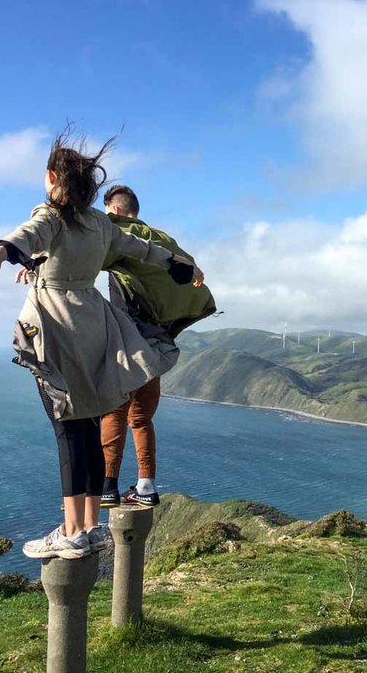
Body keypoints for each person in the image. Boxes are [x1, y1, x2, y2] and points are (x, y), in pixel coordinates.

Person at [0, 130, 196, 560]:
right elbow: (138, 248)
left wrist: (1, 253)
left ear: (53, 176)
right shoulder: (99, 223)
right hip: (95, 320)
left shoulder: (53, 214)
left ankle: (72, 530)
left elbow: (30, 231)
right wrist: (175, 261)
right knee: (89, 422)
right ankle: (91, 527)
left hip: (56, 324)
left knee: (67, 426)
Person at [98, 185, 216, 507]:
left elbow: (85, 254)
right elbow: (189, 273)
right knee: (142, 418)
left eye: (107, 211)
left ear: (116, 210)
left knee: (114, 408)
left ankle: (107, 485)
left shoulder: (117, 232)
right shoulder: (164, 239)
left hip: (129, 339)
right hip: (159, 342)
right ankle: (146, 488)